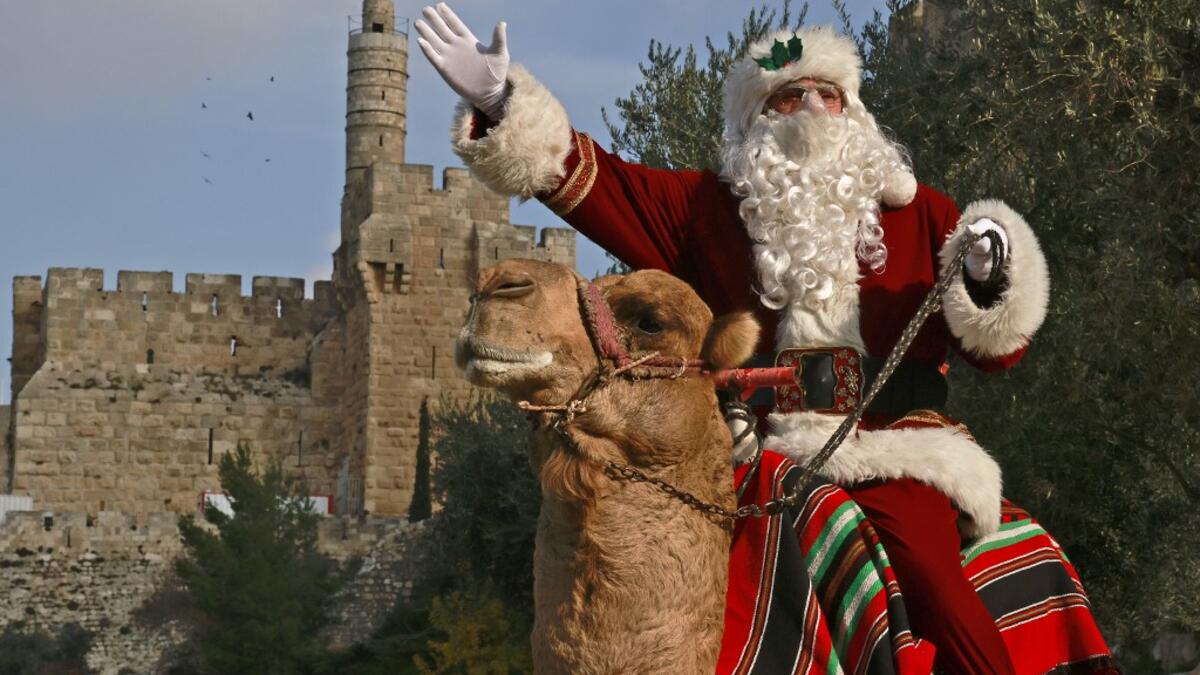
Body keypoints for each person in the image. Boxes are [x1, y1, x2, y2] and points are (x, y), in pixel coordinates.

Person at [416, 5, 1053, 673]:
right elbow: (597, 183)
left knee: (929, 569)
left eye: (827, 93)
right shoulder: (706, 210)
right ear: (757, 119)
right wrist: (499, 100)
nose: (811, 106)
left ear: (853, 111)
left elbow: (999, 351)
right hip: (760, 444)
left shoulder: (927, 214)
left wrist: (990, 271)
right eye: (788, 94)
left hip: (896, 445)